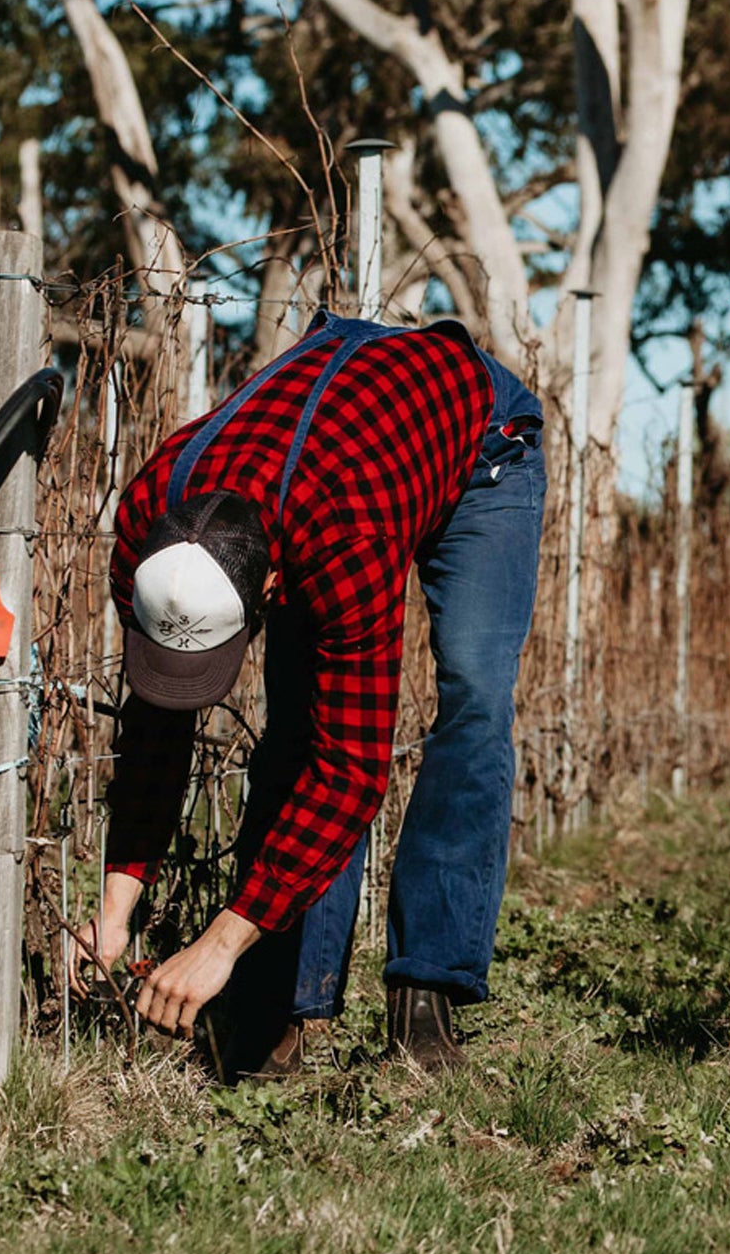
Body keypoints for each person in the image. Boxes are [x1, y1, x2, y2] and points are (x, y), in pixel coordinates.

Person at [74, 309, 546, 1074]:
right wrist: (115, 910)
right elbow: (156, 725)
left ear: (270, 585)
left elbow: (351, 773)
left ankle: (426, 991)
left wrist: (216, 942)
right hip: (334, 456)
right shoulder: (145, 517)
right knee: (291, 729)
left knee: (473, 697)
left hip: (479, 442)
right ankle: (281, 1009)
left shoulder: (344, 538)